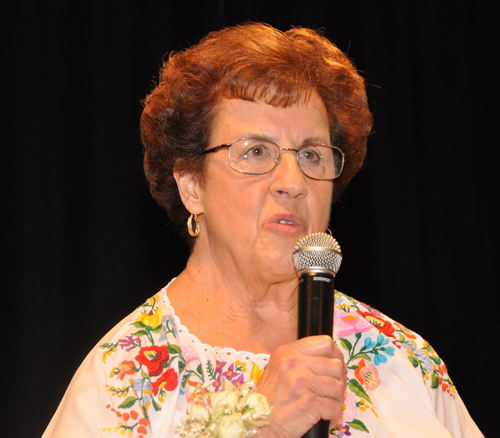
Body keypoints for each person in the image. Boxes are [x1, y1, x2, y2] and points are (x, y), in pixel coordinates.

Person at [43, 23, 483, 438]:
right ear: (192, 186)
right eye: (255, 151)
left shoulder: (400, 359)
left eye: (312, 155)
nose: (293, 182)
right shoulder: (125, 375)